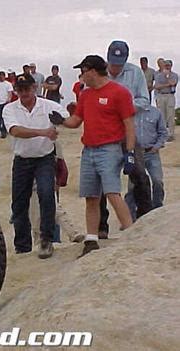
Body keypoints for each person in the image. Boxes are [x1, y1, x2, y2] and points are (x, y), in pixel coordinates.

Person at [50, 55, 135, 257]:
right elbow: (77, 120)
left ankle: (131, 234)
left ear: (92, 71)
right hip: (89, 149)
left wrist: (129, 153)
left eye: (83, 71)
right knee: (91, 196)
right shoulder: (86, 95)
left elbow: (129, 125)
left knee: (112, 192)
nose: (80, 76)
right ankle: (92, 238)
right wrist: (61, 120)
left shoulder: (119, 93)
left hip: (110, 148)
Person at [2, 77, 68, 259]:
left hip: (44, 158)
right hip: (22, 159)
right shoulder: (10, 109)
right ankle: (22, 246)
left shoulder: (48, 105)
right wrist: (44, 132)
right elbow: (15, 131)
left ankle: (46, 239)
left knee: (47, 194)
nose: (24, 93)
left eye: (27, 88)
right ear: (16, 90)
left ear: (35, 87)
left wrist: (61, 123)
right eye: (20, 89)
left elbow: (67, 118)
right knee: (19, 202)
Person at [98, 40, 153, 238]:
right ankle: (101, 226)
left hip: (129, 131)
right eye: (113, 63)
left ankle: (146, 218)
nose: (115, 68)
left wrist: (122, 105)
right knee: (102, 178)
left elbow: (144, 101)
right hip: (105, 135)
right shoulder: (99, 73)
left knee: (139, 174)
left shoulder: (135, 73)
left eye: (119, 63)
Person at [125, 105, 168, 218]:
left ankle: (157, 210)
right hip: (136, 153)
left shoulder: (156, 113)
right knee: (132, 185)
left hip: (151, 152)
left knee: (157, 181)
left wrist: (157, 146)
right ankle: (130, 214)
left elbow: (163, 132)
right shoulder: (129, 113)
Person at [154, 59, 178, 141]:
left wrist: (167, 77)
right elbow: (156, 86)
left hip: (170, 95)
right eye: (166, 65)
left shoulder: (174, 75)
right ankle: (164, 134)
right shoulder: (158, 75)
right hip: (161, 95)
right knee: (162, 116)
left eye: (168, 65)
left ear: (171, 66)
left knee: (170, 115)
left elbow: (174, 83)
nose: (167, 67)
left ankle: (171, 134)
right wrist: (167, 84)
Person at [0, 71, 13, 139]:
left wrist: (9, 99)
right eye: (0, 76)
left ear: (4, 76)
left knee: (4, 118)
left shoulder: (8, 84)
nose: (1, 77)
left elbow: (10, 93)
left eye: (2, 76)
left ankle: (3, 133)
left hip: (5, 103)